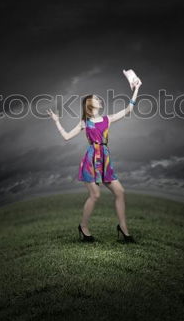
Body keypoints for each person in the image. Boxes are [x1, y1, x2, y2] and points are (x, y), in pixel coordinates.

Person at [47, 75, 142, 243]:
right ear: (89, 104)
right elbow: (67, 137)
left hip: (104, 159)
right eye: (95, 98)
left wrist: (137, 89)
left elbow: (129, 109)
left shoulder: (107, 119)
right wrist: (57, 122)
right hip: (91, 160)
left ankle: (123, 229)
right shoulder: (84, 122)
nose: (99, 100)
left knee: (120, 192)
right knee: (95, 195)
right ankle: (83, 227)